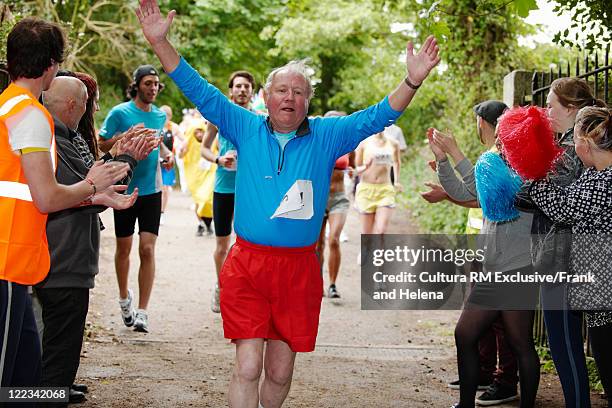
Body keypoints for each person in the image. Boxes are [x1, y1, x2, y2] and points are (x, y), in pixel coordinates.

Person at [136, 1, 440, 405]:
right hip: (248, 264)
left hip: (298, 270)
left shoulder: (328, 135)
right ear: (266, 96)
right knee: (247, 366)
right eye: (281, 90)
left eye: (299, 92)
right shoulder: (244, 125)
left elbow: (378, 116)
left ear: (308, 102)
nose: (289, 97)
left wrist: (412, 81)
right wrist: (161, 43)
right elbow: (199, 90)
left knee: (279, 373)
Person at [0, 17, 129, 389]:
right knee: (9, 380)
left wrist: (94, 194)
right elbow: (46, 196)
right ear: (52, 65)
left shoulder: (9, 105)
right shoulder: (31, 115)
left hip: (17, 265)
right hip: (8, 263)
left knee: (26, 381)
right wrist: (90, 185)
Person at [36, 75, 152, 406]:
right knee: (57, 346)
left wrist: (123, 158)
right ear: (73, 105)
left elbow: (94, 183)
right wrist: (126, 160)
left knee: (63, 343)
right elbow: (89, 189)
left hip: (71, 258)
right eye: (88, 103)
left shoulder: (69, 137)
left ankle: (56, 389)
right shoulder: (52, 140)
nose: (91, 109)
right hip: (62, 259)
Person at [428, 109, 539, 408]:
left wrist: (456, 153)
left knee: (520, 343)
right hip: (494, 270)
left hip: (516, 270)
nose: (499, 141)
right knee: (466, 335)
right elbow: (466, 192)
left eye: (504, 136)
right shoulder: (498, 164)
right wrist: (442, 160)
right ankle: (466, 405)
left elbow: (499, 194)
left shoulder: (530, 173)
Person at [515, 77, 607, 408]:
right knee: (570, 344)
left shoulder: (572, 150)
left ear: (571, 108)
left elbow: (527, 194)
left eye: (551, 104)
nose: (544, 110)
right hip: (564, 255)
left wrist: (522, 171)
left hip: (564, 257)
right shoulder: (568, 144)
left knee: (565, 345)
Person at [98, 64, 173, 333]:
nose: (153, 88)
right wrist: (122, 139)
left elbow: (158, 143)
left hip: (151, 191)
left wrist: (166, 155)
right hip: (124, 190)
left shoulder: (159, 117)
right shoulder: (120, 112)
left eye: (156, 84)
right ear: (137, 85)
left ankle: (142, 311)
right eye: (148, 83)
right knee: (125, 249)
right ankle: (123, 299)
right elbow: (101, 142)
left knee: (148, 249)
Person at [200, 70, 255, 313]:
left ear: (252, 91)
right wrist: (219, 160)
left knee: (249, 244)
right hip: (223, 187)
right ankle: (221, 287)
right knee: (222, 244)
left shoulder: (259, 119)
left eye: (246, 86)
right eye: (238, 86)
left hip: (250, 190)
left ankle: (243, 290)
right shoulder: (219, 117)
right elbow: (204, 150)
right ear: (231, 90)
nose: (242, 90)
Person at [315, 110, 353, 298]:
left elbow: (350, 165)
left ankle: (332, 285)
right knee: (318, 244)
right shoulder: (316, 145)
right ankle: (317, 283)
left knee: (334, 240)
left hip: (339, 198)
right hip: (318, 198)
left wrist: (352, 170)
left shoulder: (347, 145)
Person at [354, 131, 402, 235]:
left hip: (385, 190)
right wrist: (365, 166)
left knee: (381, 231)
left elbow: (397, 162)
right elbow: (356, 169)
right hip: (366, 191)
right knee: (367, 234)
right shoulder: (363, 143)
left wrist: (397, 181)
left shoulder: (394, 143)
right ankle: (367, 250)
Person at [180, 121, 216, 236]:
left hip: (209, 175)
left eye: (201, 131)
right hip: (195, 178)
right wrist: (182, 151)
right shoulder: (189, 144)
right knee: (198, 201)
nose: (199, 134)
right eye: (197, 132)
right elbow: (181, 156)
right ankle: (201, 224)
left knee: (207, 199)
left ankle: (208, 223)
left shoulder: (211, 142)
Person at [159, 104, 180, 224]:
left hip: (168, 161)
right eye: (162, 115)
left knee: (165, 188)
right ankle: (156, 211)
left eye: (166, 116)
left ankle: (162, 212)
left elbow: (184, 139)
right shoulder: (156, 126)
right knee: (159, 188)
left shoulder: (173, 128)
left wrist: (181, 149)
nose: (164, 118)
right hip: (157, 162)